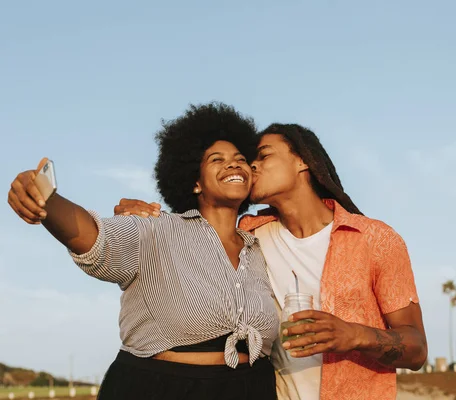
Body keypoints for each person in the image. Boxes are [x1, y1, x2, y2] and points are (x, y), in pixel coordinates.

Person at [116, 123, 428, 400]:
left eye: (262, 156)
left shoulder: (375, 238)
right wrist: (142, 213)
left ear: (303, 160)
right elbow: (189, 234)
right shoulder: (248, 236)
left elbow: (416, 349)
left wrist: (353, 335)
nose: (250, 166)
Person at [7, 103, 279, 400]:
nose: (233, 164)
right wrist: (44, 197)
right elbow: (95, 237)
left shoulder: (259, 248)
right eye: (217, 159)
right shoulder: (156, 229)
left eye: (240, 159)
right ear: (195, 182)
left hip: (252, 387)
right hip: (165, 389)